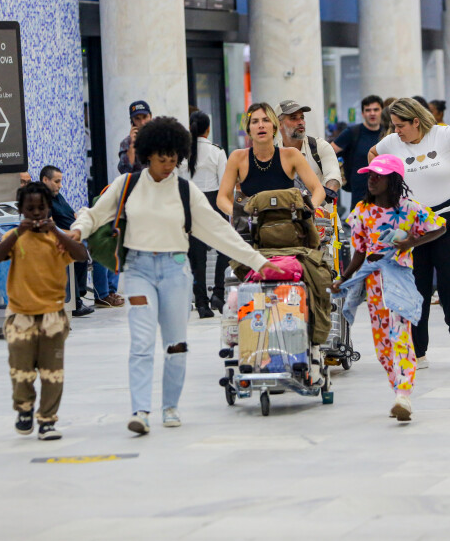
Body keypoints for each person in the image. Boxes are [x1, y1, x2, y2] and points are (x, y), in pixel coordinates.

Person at [68, 116, 282, 435]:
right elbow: (94, 213)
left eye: (173, 159)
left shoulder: (186, 191)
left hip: (175, 272)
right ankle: (140, 411)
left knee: (176, 344)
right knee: (141, 343)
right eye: (161, 159)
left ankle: (170, 406)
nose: (168, 165)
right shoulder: (127, 185)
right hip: (138, 271)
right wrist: (77, 230)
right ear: (147, 155)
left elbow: (218, 230)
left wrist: (258, 262)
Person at [369, 97, 450, 369]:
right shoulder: (391, 143)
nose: (396, 131)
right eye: (394, 126)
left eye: (401, 125)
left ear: (416, 121)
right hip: (412, 221)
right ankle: (417, 348)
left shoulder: (446, 134)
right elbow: (373, 156)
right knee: (416, 284)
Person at [332, 155, 445, 421]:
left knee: (401, 336)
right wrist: (343, 278)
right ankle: (399, 393)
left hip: (400, 281)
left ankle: (404, 393)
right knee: (382, 346)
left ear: (393, 179)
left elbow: (439, 227)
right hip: (373, 287)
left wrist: (410, 243)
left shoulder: (410, 208)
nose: (371, 179)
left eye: (378, 175)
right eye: (369, 174)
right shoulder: (361, 211)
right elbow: (359, 253)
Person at [0, 182, 88, 440]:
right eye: (30, 209)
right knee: (21, 370)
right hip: (20, 316)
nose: (36, 213)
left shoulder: (57, 239)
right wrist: (16, 233)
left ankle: (47, 421)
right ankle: (24, 409)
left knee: (52, 373)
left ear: (49, 209)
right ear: (21, 210)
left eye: (41, 208)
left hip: (53, 316)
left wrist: (57, 232)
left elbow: (81, 255)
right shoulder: (14, 238)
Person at [217, 102, 325, 216]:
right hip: (252, 228)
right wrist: (239, 214)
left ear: (274, 127)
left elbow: (318, 190)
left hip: (286, 226)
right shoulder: (237, 157)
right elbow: (222, 198)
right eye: (255, 121)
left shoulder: (291, 155)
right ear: (249, 129)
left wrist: (308, 211)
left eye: (266, 120)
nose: (261, 125)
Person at [178, 110, 230, 318]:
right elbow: (225, 184)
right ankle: (218, 292)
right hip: (214, 203)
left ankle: (201, 303)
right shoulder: (217, 152)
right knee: (224, 250)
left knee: (197, 258)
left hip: (190, 205)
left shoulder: (182, 153)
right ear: (208, 129)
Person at [40, 166, 96, 316]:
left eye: (61, 181)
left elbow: (73, 215)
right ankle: (76, 301)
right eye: (57, 181)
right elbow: (51, 228)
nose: (60, 185)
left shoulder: (57, 196)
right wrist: (72, 234)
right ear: (45, 180)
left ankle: (102, 293)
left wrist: (84, 228)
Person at [274, 99, 342, 192]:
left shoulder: (320, 146)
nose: (300, 122)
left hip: (320, 206)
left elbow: (333, 175)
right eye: (293, 118)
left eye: (302, 117)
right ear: (279, 123)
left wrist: (329, 192)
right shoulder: (273, 154)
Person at [332, 95, 384, 209]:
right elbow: (329, 152)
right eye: (368, 110)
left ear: (381, 111)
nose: (372, 113)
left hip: (385, 194)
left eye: (376, 109)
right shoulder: (353, 132)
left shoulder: (387, 133)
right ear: (362, 113)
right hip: (360, 195)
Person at [118, 100, 152, 174]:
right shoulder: (126, 142)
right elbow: (125, 171)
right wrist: (133, 144)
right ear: (132, 122)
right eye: (137, 119)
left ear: (150, 117)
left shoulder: (160, 138)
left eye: (145, 117)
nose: (142, 122)